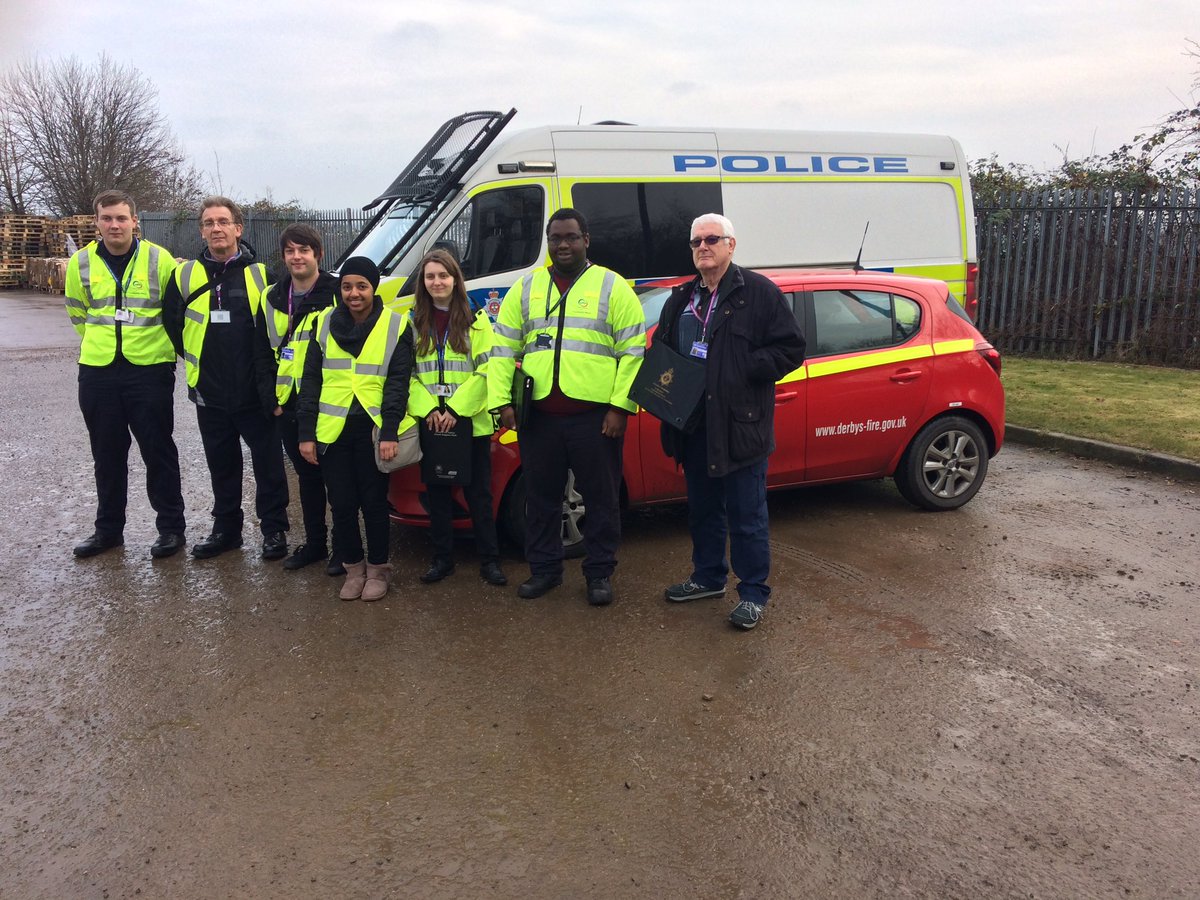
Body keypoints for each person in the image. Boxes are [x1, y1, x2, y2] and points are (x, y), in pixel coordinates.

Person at [655, 214, 806, 630]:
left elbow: (791, 348)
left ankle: (753, 593)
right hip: (693, 426)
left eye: (712, 239)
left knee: (747, 516)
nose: (703, 247)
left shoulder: (757, 293)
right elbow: (663, 351)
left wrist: (742, 367)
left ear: (731, 245)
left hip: (740, 426)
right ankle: (708, 578)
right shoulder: (682, 298)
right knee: (703, 511)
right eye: (696, 242)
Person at [487, 208, 645, 606]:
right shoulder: (525, 289)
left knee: (601, 498)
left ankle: (599, 574)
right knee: (541, 498)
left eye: (571, 237)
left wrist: (620, 408)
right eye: (555, 237)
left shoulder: (613, 287)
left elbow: (633, 353)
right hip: (538, 417)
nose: (562, 245)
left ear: (586, 240)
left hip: (595, 418)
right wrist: (502, 402)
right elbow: (501, 350)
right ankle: (545, 571)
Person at [163, 196, 290, 561]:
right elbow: (173, 326)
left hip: (255, 392)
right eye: (208, 223)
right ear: (202, 231)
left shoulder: (262, 275)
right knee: (222, 464)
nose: (216, 228)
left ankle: (274, 530)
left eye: (223, 222)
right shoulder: (184, 276)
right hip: (210, 391)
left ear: (238, 228)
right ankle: (226, 530)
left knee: (268, 464)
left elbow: (279, 329)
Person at [64, 189, 186, 559]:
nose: (114, 225)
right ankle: (108, 531)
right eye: (106, 218)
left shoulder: (159, 259)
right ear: (97, 222)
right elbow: (78, 314)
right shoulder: (80, 263)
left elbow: (174, 313)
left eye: (121, 218)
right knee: (107, 454)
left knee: (158, 450)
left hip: (149, 370)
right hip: (99, 371)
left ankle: (170, 529)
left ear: (135, 221)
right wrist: (102, 347)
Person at [297, 257, 415, 601]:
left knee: (375, 503)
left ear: (373, 288)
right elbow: (310, 380)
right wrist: (306, 433)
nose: (353, 293)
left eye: (361, 286)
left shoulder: (395, 325)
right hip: (332, 431)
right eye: (347, 286)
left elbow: (398, 382)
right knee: (343, 504)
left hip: (374, 429)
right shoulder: (323, 323)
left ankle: (378, 570)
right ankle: (353, 568)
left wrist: (391, 430)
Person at [408, 249, 506, 587]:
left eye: (443, 276)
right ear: (423, 282)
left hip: (470, 422)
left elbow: (487, 371)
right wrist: (430, 410)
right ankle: (442, 560)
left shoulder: (477, 321)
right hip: (431, 422)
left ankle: (490, 561)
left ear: (455, 280)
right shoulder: (413, 323)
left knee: (479, 494)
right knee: (437, 495)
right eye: (430, 276)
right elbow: (406, 375)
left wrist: (455, 410)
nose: (437, 282)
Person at [257, 224, 344, 575]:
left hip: (327, 400)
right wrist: (272, 401)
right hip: (287, 403)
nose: (297, 257)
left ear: (317, 255)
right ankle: (315, 544)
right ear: (284, 257)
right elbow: (261, 351)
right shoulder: (272, 296)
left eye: (304, 250)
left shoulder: (337, 292)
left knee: (336, 479)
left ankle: (343, 548)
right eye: (290, 251)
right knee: (306, 479)